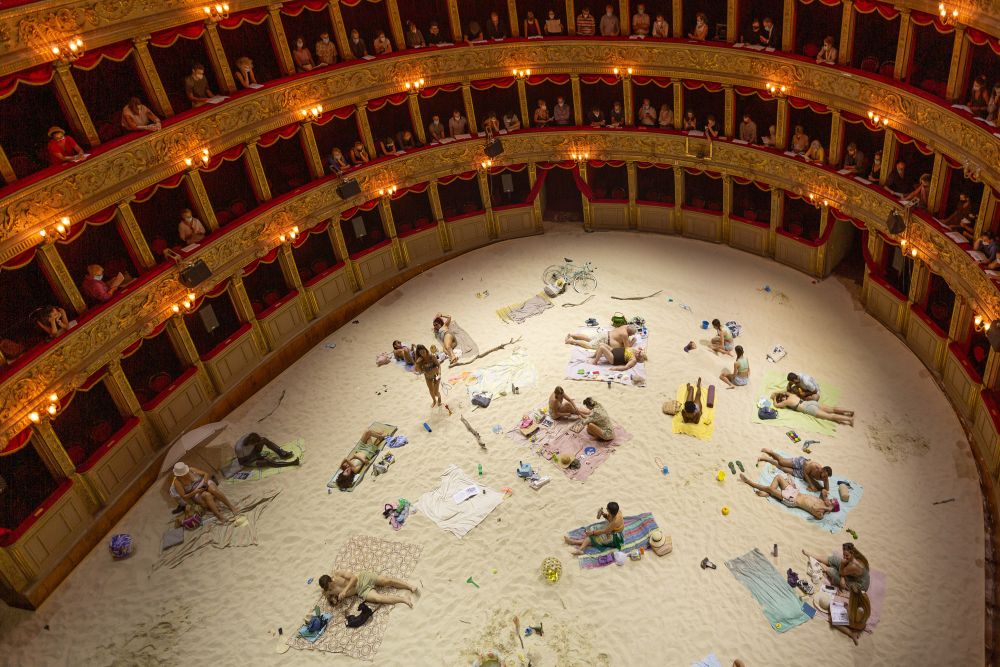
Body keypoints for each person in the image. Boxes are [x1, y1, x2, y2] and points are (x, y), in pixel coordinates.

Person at [739, 473, 840, 520]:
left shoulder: (821, 513)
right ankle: (768, 494)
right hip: (794, 491)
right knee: (778, 477)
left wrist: (827, 508)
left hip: (792, 500)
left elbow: (814, 508)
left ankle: (748, 482)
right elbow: (823, 490)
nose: (830, 500)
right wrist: (826, 495)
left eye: (831, 501)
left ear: (830, 508)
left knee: (770, 489)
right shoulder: (822, 501)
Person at [172, 462, 238, 522]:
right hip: (195, 492)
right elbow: (184, 497)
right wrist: (196, 491)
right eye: (183, 474)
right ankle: (219, 515)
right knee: (207, 495)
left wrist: (205, 483)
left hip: (204, 483)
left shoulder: (191, 470)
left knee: (213, 490)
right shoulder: (177, 482)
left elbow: (205, 474)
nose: (185, 474)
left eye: (185, 472)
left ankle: (231, 506)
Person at [319, 569, 418, 608]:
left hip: (363, 578)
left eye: (330, 585)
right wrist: (336, 601)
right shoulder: (327, 591)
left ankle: (409, 586)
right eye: (328, 588)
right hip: (361, 591)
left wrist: (344, 591)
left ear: (330, 580)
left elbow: (353, 578)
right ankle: (404, 599)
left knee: (386, 581)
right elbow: (333, 603)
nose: (330, 588)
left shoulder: (338, 574)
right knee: (378, 599)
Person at [758, 448, 832, 495]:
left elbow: (826, 489)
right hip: (801, 463)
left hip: (801, 474)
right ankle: (771, 452)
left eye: (826, 477)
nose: (824, 478)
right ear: (822, 469)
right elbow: (806, 473)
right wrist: (812, 485)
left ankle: (767, 459)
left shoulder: (825, 477)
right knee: (782, 461)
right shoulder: (815, 466)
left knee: (783, 468)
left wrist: (826, 481)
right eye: (824, 475)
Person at [803, 543, 870, 593]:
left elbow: (841, 573)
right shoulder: (854, 556)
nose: (844, 557)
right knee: (834, 559)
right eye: (844, 555)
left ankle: (825, 568)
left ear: (852, 553)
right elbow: (843, 566)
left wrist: (843, 564)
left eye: (846, 555)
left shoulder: (854, 565)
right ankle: (814, 556)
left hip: (859, 585)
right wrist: (843, 563)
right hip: (853, 574)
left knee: (832, 572)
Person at [770, 391, 855, 426]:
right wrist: (777, 393)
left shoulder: (786, 402)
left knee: (830, 417)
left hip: (809, 409)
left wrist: (774, 398)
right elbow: (783, 392)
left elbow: (776, 405)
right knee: (832, 409)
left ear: (781, 399)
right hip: (811, 403)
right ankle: (849, 412)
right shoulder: (791, 395)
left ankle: (849, 419)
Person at [565, 323, 637, 349]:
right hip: (605, 339)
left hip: (605, 334)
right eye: (631, 334)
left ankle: (572, 335)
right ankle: (571, 340)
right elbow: (627, 348)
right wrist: (633, 341)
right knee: (589, 345)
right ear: (629, 332)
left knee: (589, 338)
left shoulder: (625, 326)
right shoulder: (625, 334)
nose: (631, 336)